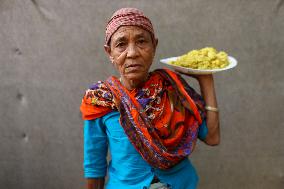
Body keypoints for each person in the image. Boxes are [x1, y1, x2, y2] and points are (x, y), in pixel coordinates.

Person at [80, 7, 220, 189]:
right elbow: (95, 169)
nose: (132, 53)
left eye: (141, 41)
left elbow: (212, 137)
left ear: (154, 46)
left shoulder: (172, 88)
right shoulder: (100, 100)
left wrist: (206, 79)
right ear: (110, 53)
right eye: (121, 44)